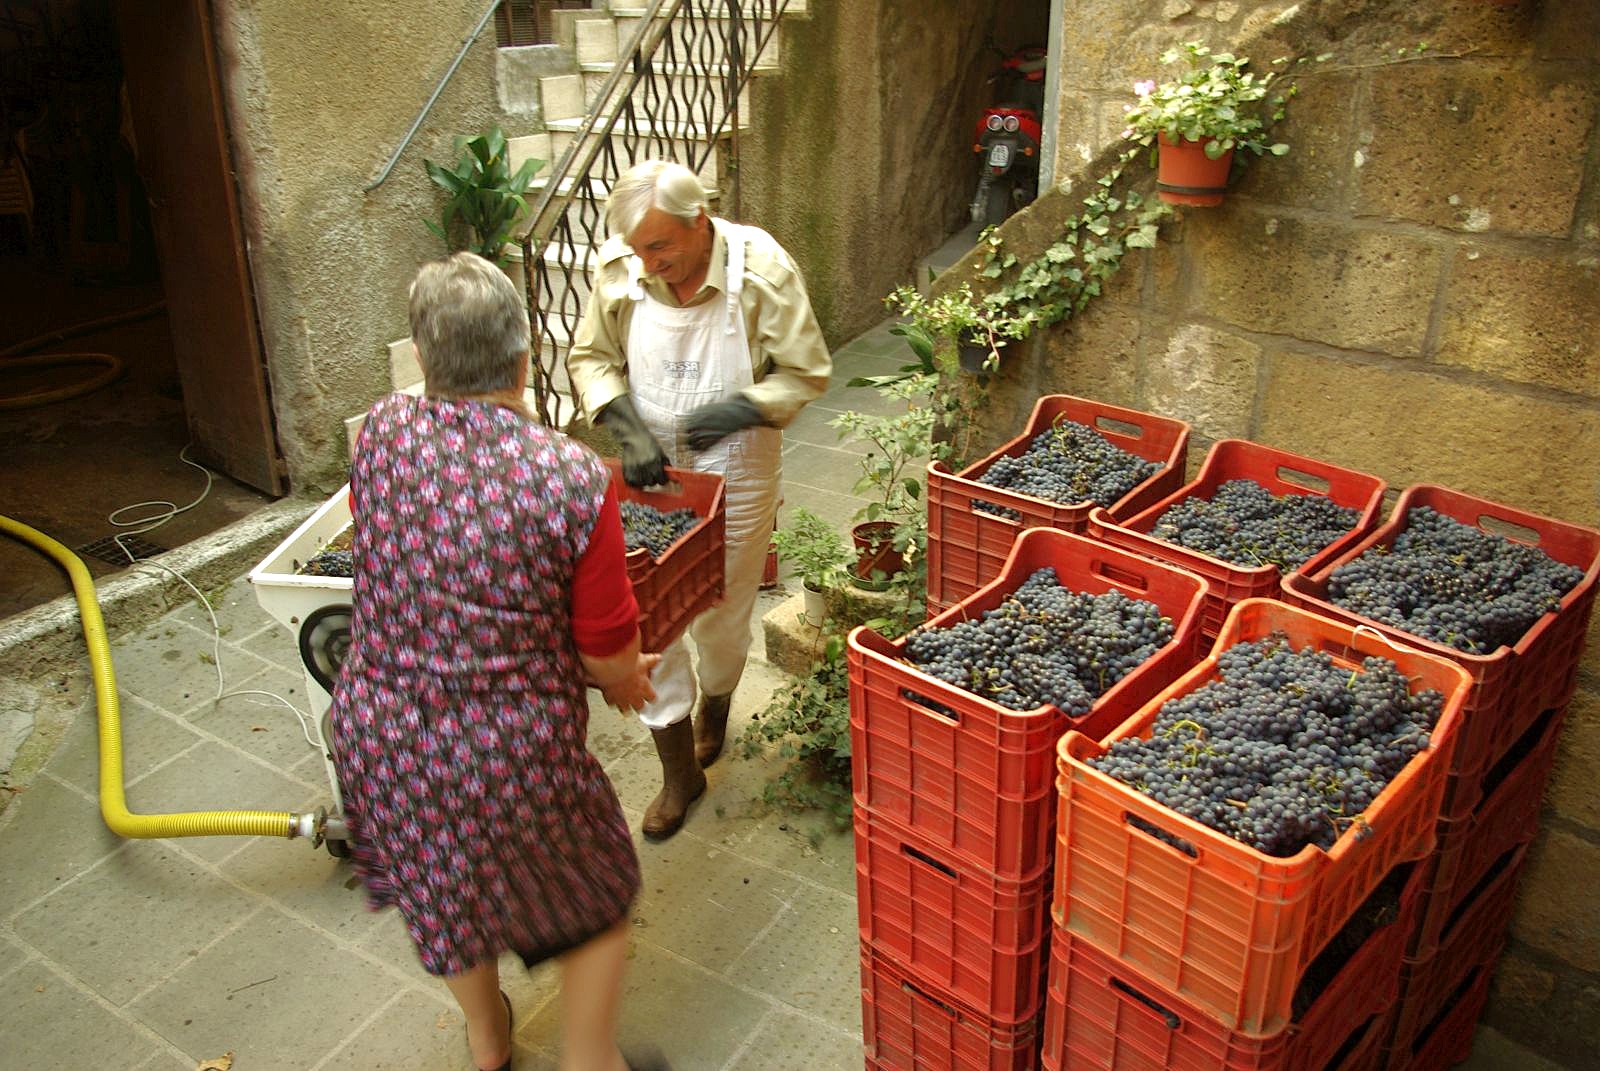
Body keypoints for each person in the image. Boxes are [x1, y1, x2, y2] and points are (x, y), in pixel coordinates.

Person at [329, 252, 663, 1071]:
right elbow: (605, 649)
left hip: (375, 737)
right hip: (504, 754)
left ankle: (489, 1042)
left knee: (441, 888)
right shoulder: (571, 477)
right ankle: (590, 1056)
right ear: (524, 358)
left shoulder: (380, 434)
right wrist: (627, 678)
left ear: (425, 361)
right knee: (596, 893)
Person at [566, 159, 832, 839]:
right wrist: (624, 426)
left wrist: (745, 406)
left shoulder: (762, 271)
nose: (651, 265)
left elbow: (806, 370)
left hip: (735, 463)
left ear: (701, 222)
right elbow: (591, 357)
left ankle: (718, 700)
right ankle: (678, 768)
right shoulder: (622, 270)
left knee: (721, 610)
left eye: (663, 248)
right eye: (639, 251)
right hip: (650, 469)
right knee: (648, 616)